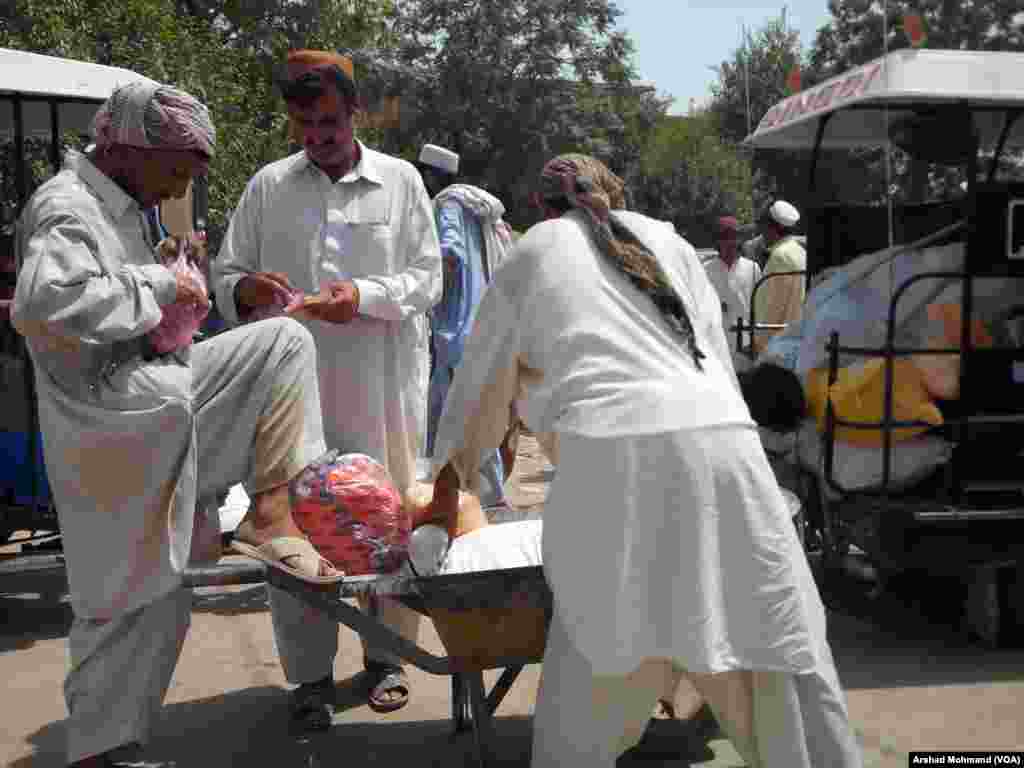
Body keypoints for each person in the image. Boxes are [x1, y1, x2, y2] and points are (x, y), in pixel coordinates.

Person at [426, 154, 862, 768]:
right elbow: (710, 357)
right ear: (617, 195)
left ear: (543, 209)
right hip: (729, 456)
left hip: (611, 462)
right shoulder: (673, 242)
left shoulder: (536, 250)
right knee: (775, 654)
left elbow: (479, 385)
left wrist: (449, 483)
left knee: (596, 668)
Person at [12, 81, 339, 768]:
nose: (178, 189)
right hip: (113, 427)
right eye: (178, 171)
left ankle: (271, 510)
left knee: (281, 343)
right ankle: (101, 752)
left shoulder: (121, 207)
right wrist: (160, 289)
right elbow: (46, 302)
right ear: (131, 147)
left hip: (154, 401)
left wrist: (164, 275)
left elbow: (125, 296)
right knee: (129, 598)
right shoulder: (67, 207)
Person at [213, 49, 441, 727]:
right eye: (305, 126)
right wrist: (244, 288)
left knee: (386, 522)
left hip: (381, 391)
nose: (317, 137)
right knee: (297, 534)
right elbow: (228, 274)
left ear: (356, 113)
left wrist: (365, 296)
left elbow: (429, 279)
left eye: (329, 124)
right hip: (291, 403)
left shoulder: (399, 184)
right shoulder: (268, 187)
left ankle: (390, 658)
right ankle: (310, 679)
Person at [417, 142, 512, 508]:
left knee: (457, 413)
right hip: (479, 322)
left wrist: (425, 293)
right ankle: (475, 492)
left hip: (454, 326)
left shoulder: (447, 204)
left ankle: (480, 495)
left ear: (429, 175)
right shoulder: (479, 209)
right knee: (474, 411)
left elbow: (450, 255)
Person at [703, 214, 762, 370]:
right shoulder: (705, 270)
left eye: (733, 237)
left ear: (740, 240)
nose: (730, 242)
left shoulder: (753, 268)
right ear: (717, 240)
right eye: (724, 237)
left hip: (746, 345)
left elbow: (760, 308)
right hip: (718, 345)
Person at [751, 199, 807, 355]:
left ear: (772, 228)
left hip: (777, 347)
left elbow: (773, 308)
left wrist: (758, 343)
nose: (762, 232)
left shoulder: (780, 256)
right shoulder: (801, 253)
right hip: (796, 342)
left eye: (763, 226)